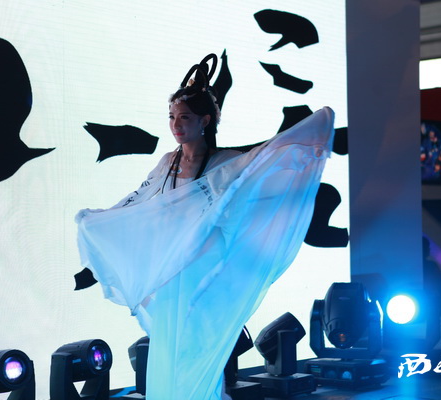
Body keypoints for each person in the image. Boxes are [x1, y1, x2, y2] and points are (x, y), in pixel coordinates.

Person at [76, 54, 335, 399]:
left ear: (205, 120)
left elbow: (261, 164)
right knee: (169, 349)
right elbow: (140, 200)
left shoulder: (224, 163)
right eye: (172, 117)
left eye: (184, 117)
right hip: (171, 270)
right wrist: (102, 217)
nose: (176, 124)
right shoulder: (168, 162)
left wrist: (307, 142)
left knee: (198, 350)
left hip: (205, 268)